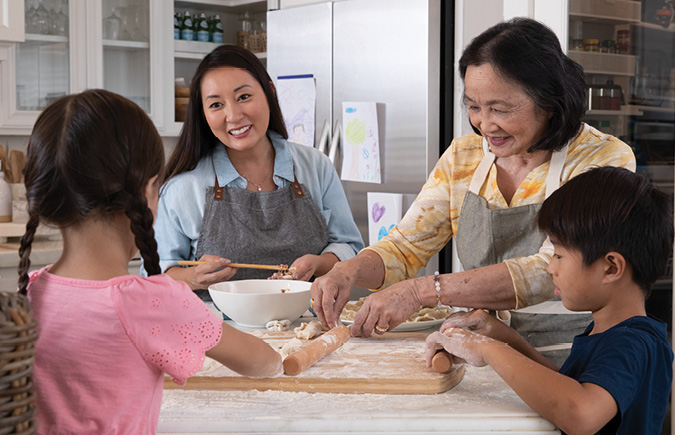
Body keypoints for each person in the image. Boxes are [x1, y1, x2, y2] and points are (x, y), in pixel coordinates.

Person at [311, 18, 636, 352]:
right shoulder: (463, 157)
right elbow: (405, 247)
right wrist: (348, 271)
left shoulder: (602, 158)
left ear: (549, 102)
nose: (484, 124)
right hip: (484, 348)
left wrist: (422, 291)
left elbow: (546, 270)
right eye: (474, 106)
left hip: (575, 351)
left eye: (500, 109)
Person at [18, 89, 282, 433]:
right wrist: (278, 356)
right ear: (147, 190)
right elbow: (259, 361)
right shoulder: (147, 301)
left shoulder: (31, 292)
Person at [425, 166, 673, 434]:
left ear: (611, 268)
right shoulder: (609, 332)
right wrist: (503, 338)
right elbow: (567, 385)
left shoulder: (632, 343)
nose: (550, 268)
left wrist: (488, 350)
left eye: (559, 255)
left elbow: (579, 413)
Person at [151, 44, 363, 301]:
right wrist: (193, 277)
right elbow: (154, 276)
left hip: (309, 327)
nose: (233, 115)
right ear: (204, 114)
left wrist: (318, 264)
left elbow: (350, 247)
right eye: (216, 104)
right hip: (221, 333)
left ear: (269, 92)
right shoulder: (183, 188)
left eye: (243, 97)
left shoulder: (315, 166)